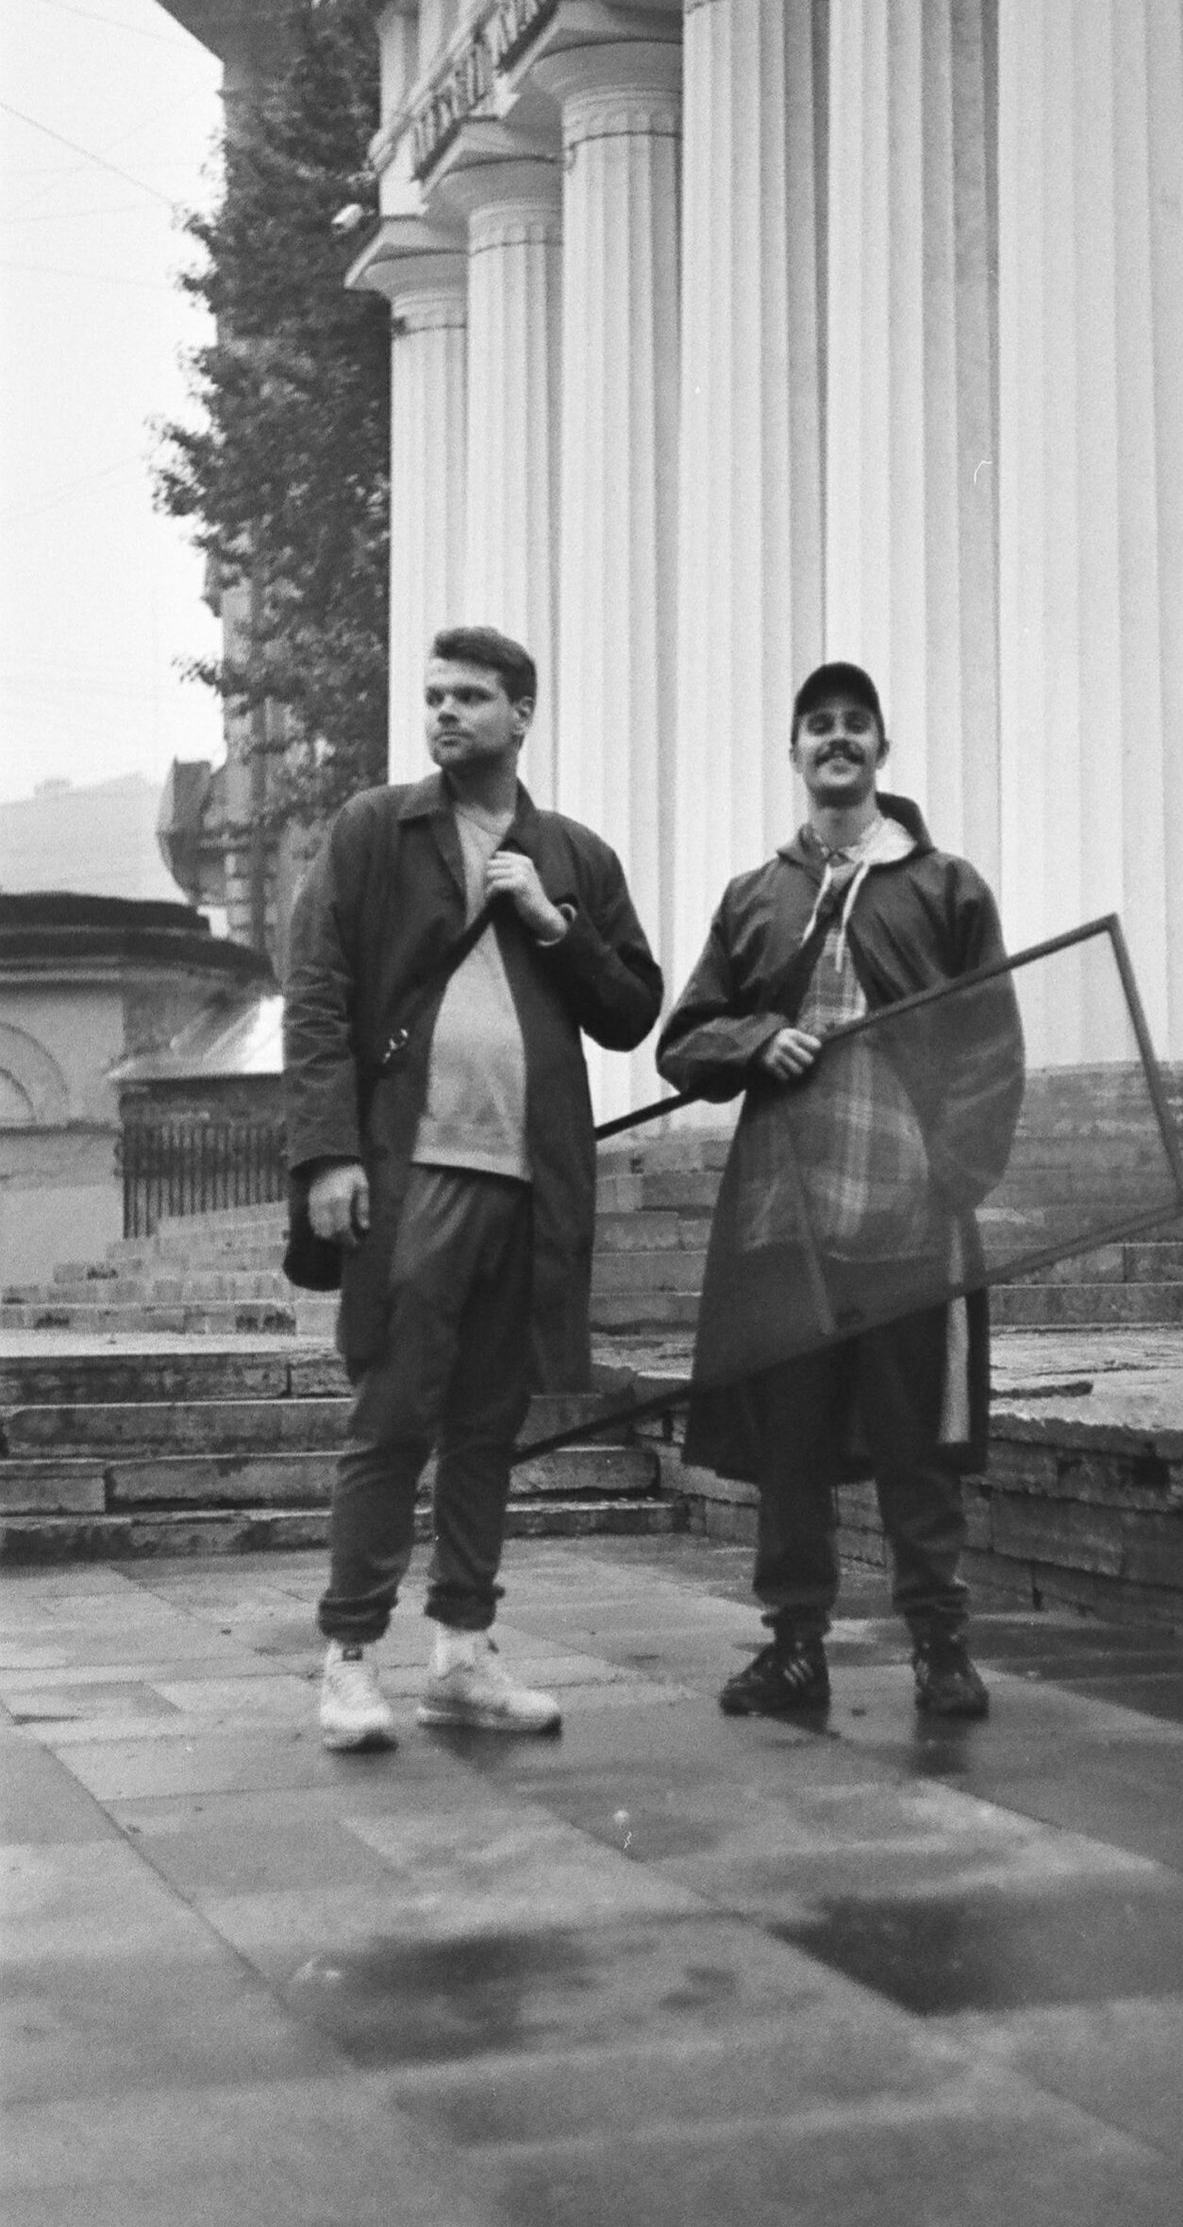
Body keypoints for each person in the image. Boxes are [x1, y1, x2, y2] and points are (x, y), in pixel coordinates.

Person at [286, 626, 663, 1752]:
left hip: (529, 1179)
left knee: (490, 1423)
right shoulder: (374, 830)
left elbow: (632, 1009)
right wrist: (329, 1152)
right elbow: (317, 992)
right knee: (393, 1413)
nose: (445, 714)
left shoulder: (574, 855)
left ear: (522, 714)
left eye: (471, 698)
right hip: (413, 1172)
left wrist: (556, 923)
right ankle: (350, 1660)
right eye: (435, 696)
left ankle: (460, 1653)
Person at [657, 662, 1023, 1721]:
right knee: (792, 1449)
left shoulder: (946, 887)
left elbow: (991, 1047)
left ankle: (940, 1647)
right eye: (818, 725)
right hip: (787, 1222)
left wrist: (950, 1177)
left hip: (908, 1218)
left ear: (880, 749)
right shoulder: (755, 896)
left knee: (916, 1446)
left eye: (855, 724)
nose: (837, 740)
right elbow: (682, 1040)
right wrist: (757, 1034)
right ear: (795, 752)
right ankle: (792, 1648)